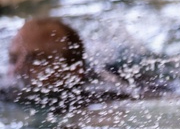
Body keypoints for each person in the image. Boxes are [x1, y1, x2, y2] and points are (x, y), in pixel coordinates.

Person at [3, 17, 138, 109]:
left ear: (74, 70)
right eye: (13, 59)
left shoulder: (103, 93)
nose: (18, 69)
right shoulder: (6, 91)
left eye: (36, 59)